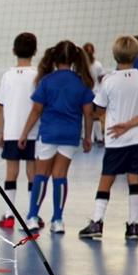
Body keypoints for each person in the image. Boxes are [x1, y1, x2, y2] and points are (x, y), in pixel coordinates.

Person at [78, 36, 138, 241]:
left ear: (114, 55)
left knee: (106, 180)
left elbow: (99, 110)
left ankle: (97, 222)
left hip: (115, 139)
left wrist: (88, 110)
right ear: (137, 54)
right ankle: (133, 226)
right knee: (135, 180)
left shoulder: (109, 81)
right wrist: (132, 124)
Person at [18, 41, 95, 234]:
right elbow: (88, 113)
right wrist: (88, 137)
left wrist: (24, 133)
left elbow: (36, 111)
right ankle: (58, 220)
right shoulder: (81, 82)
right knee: (60, 176)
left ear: (55, 57)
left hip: (49, 133)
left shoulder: (47, 81)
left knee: (40, 175)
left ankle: (33, 217)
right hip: (70, 135)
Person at [0, 32, 38, 229]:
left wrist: (1, 131)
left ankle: (9, 215)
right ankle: (32, 216)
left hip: (12, 131)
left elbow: (1, 105)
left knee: (11, 173)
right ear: (35, 51)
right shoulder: (38, 75)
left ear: (13, 51)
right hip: (33, 133)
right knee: (33, 173)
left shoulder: (8, 76)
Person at [83, 42, 106, 144]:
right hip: (91, 93)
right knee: (93, 115)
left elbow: (102, 79)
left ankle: (94, 138)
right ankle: (97, 138)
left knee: (90, 115)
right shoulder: (96, 64)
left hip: (91, 93)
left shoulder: (95, 64)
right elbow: (102, 79)